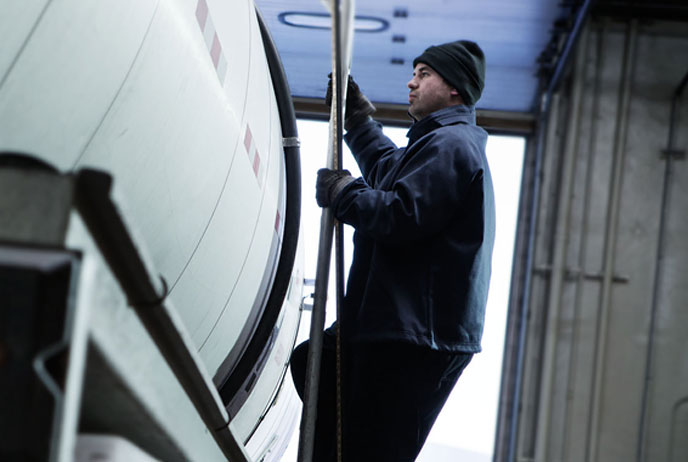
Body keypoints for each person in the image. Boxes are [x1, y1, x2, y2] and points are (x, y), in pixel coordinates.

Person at [290, 40, 495, 461]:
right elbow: (389, 170)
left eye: (424, 74)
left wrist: (346, 193)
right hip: (401, 329)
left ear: (454, 87)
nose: (411, 82)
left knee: (365, 447)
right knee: (321, 370)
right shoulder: (438, 144)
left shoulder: (452, 145)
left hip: (413, 337)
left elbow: (401, 215)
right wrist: (356, 122)